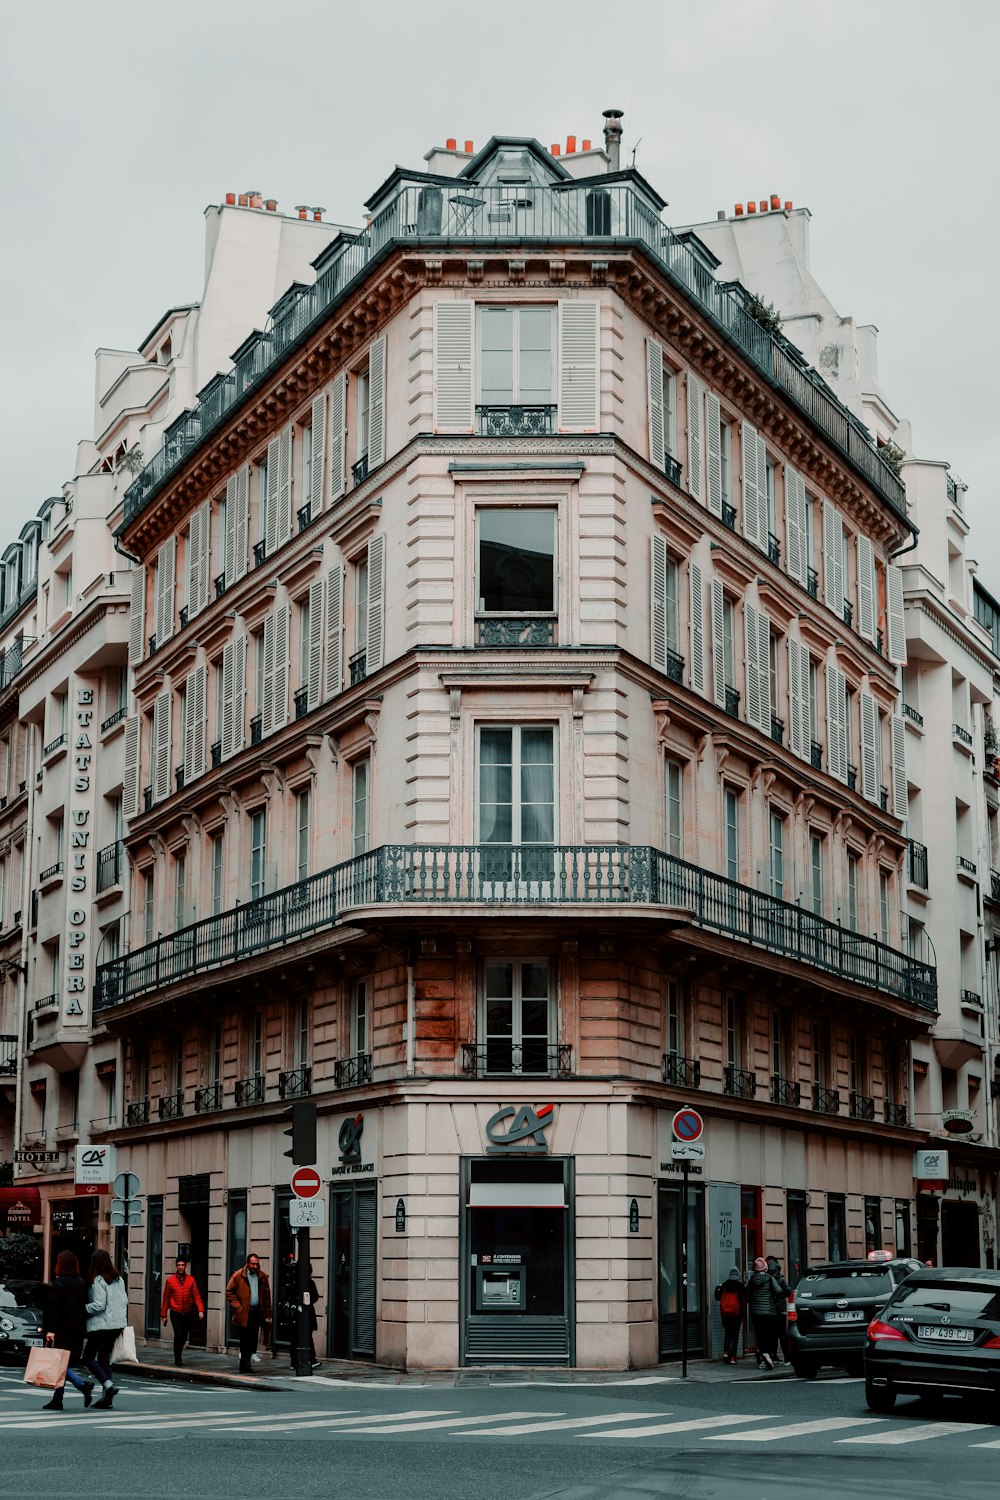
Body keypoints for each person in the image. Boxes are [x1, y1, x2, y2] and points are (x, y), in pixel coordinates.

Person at [40, 1250, 94, 1412]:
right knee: (62, 1365)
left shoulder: (60, 1283)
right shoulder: (81, 1282)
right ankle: (58, 1399)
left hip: (62, 1331)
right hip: (77, 1331)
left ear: (60, 1264)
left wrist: (51, 1329)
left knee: (59, 1365)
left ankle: (82, 1385)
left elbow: (57, 1308)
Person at [83, 1249, 128, 1409]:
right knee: (104, 1358)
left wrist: (82, 1308)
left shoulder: (98, 1280)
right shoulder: (119, 1279)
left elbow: (98, 1305)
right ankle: (106, 1399)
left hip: (101, 1325)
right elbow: (125, 1301)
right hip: (116, 1325)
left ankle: (108, 1385)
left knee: (87, 1357)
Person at [226, 1252, 272, 1374]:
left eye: (257, 1264)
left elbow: (267, 1296)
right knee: (245, 1338)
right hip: (244, 1311)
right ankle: (244, 1364)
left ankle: (248, 1360)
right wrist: (238, 1307)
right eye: (252, 1264)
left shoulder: (262, 1276)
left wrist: (268, 1313)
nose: (255, 1266)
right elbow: (229, 1292)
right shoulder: (238, 1276)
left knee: (253, 1337)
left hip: (257, 1311)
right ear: (247, 1263)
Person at [160, 1256, 205, 1366]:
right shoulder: (170, 1281)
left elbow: (196, 1296)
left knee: (184, 1336)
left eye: (183, 1265)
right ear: (176, 1266)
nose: (181, 1267)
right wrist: (163, 1315)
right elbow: (165, 1298)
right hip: (175, 1312)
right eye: (179, 1265)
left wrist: (200, 1310)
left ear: (185, 1266)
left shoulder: (191, 1280)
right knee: (178, 1333)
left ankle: (179, 1352)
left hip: (188, 1312)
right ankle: (177, 1357)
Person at [745, 1255, 780, 1370]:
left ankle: (763, 1354)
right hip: (769, 1311)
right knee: (768, 1335)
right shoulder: (770, 1278)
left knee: (760, 1335)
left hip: (756, 1312)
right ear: (765, 1267)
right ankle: (767, 1354)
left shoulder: (752, 1280)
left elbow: (747, 1296)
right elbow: (779, 1291)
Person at [713, 1266, 746, 1365]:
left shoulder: (724, 1285)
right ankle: (733, 1357)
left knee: (727, 1334)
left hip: (726, 1314)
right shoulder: (740, 1286)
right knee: (735, 1335)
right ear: (738, 1275)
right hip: (737, 1314)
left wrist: (717, 1288)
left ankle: (726, 1353)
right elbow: (746, 1298)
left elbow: (717, 1298)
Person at [767, 1255, 792, 1364]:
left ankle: (773, 1355)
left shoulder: (767, 1280)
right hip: (781, 1309)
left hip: (770, 1310)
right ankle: (787, 1357)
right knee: (782, 1335)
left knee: (772, 1335)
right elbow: (788, 1292)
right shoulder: (781, 1280)